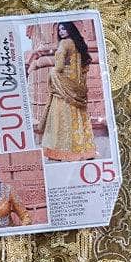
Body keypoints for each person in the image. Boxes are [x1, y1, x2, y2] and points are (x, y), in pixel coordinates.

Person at [30, 21, 96, 162]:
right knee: (78, 117)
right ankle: (83, 150)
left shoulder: (64, 43)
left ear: (70, 30)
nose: (61, 31)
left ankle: (60, 152)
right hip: (77, 88)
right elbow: (85, 68)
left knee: (60, 119)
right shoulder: (79, 45)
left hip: (63, 87)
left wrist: (52, 73)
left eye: (64, 29)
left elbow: (59, 67)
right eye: (59, 29)